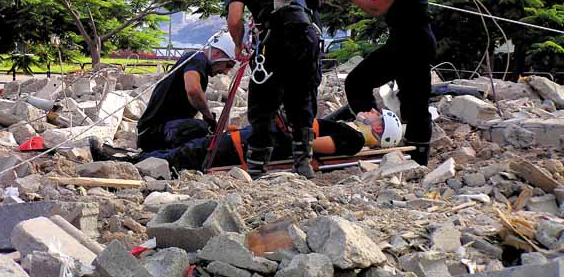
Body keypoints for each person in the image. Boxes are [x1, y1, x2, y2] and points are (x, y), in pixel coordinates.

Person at [336, 0, 437, 166]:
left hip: (413, 43)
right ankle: (385, 135)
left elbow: (375, 8)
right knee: (365, 85)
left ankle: (410, 154)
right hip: (405, 40)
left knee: (413, 103)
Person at [226, 0, 320, 179]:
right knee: (300, 99)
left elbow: (234, 20)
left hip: (276, 38)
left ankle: (257, 168)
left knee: (263, 103)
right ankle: (303, 163)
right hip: (308, 36)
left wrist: (238, 44)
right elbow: (290, 4)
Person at [90, 108, 404, 173]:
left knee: (183, 156)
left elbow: (305, 146)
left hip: (250, 147)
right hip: (252, 138)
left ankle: (119, 164)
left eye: (376, 119)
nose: (370, 116)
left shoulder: (349, 139)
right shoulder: (348, 132)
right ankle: (122, 157)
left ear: (378, 131)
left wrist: (285, 125)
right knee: (184, 149)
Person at [135, 33, 237, 153]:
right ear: (217, 53)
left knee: (203, 133)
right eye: (228, 65)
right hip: (154, 133)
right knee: (202, 128)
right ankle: (171, 156)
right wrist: (208, 117)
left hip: (156, 131)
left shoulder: (197, 62)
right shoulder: (197, 59)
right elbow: (193, 90)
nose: (226, 72)